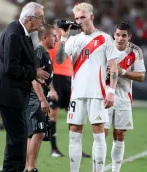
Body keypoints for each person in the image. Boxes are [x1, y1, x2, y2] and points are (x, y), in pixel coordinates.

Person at [56, 2, 118, 172]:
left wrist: (111, 91)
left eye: (82, 17)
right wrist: (63, 37)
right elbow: (60, 59)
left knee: (99, 135)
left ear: (91, 17)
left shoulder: (105, 38)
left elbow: (113, 67)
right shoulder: (74, 40)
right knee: (74, 134)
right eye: (76, 18)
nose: (79, 20)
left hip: (98, 94)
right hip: (77, 94)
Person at [0, 2, 49, 172]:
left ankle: (11, 169)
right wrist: (34, 73)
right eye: (41, 18)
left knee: (17, 137)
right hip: (9, 93)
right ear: (30, 19)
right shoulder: (15, 34)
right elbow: (12, 67)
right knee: (18, 137)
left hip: (15, 93)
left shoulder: (22, 32)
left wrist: (36, 74)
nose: (42, 21)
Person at [104, 22, 146, 172]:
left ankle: (115, 170)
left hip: (124, 97)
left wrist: (122, 72)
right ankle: (99, 169)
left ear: (129, 37)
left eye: (124, 36)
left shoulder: (136, 51)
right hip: (105, 96)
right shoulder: (105, 48)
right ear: (113, 35)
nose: (120, 38)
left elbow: (141, 76)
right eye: (117, 35)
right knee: (102, 133)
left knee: (120, 134)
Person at [48, 21, 91, 158]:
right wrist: (51, 89)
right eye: (61, 28)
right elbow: (47, 68)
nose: (63, 31)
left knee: (73, 115)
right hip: (56, 80)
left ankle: (76, 149)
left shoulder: (69, 43)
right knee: (53, 115)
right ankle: (54, 149)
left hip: (68, 81)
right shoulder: (51, 45)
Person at [25, 24, 58, 172]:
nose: (56, 39)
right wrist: (42, 99)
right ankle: (31, 167)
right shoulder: (39, 52)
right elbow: (34, 78)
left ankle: (28, 167)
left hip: (38, 98)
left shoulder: (45, 53)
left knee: (36, 133)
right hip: (34, 99)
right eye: (53, 36)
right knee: (38, 133)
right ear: (45, 37)